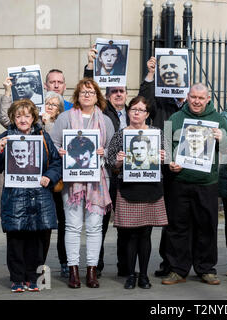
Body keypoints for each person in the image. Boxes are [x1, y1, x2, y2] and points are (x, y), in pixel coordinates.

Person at [0, 99, 62, 293]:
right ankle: (17, 279)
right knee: (16, 241)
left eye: (27, 115)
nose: (23, 119)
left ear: (33, 117)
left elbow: (56, 163)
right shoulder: (6, 137)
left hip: (40, 197)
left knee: (38, 242)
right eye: (19, 116)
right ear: (13, 117)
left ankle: (33, 278)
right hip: (15, 198)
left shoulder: (43, 137)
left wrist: (49, 177)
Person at [50, 78, 115, 289]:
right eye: (83, 92)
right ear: (77, 96)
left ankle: (92, 270)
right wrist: (60, 152)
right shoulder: (65, 118)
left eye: (91, 92)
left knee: (95, 227)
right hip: (72, 182)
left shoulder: (105, 121)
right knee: (72, 226)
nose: (87, 95)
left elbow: (112, 152)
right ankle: (73, 270)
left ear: (98, 96)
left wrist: (104, 152)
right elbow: (53, 145)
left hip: (98, 181)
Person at [162, 83, 227, 286]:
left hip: (207, 182)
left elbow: (226, 154)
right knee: (177, 227)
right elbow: (165, 146)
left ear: (208, 99)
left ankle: (206, 269)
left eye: (201, 98)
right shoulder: (174, 118)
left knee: (206, 227)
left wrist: (222, 138)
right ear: (187, 97)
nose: (197, 101)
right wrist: (169, 163)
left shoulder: (219, 119)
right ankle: (177, 269)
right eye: (193, 97)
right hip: (179, 182)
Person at [106, 96, 168, 289]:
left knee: (146, 235)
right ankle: (131, 275)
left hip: (151, 189)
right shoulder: (121, 134)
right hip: (128, 189)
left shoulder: (157, 133)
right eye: (133, 109)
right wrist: (118, 160)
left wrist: (164, 157)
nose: (136, 113)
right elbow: (111, 163)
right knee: (130, 235)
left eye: (140, 110)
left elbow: (168, 159)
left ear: (147, 114)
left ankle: (144, 275)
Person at [139, 56, 187, 278]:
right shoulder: (159, 101)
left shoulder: (190, 104)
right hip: (157, 163)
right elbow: (144, 99)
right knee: (150, 214)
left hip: (179, 167)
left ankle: (170, 261)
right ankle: (137, 262)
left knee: (174, 218)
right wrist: (150, 74)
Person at [85, 46, 130, 278]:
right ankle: (97, 264)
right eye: (114, 91)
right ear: (108, 95)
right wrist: (91, 67)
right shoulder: (102, 111)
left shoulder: (135, 111)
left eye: (122, 91)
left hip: (130, 175)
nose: (118, 94)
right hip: (108, 173)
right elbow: (89, 90)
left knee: (126, 223)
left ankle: (125, 266)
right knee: (100, 221)